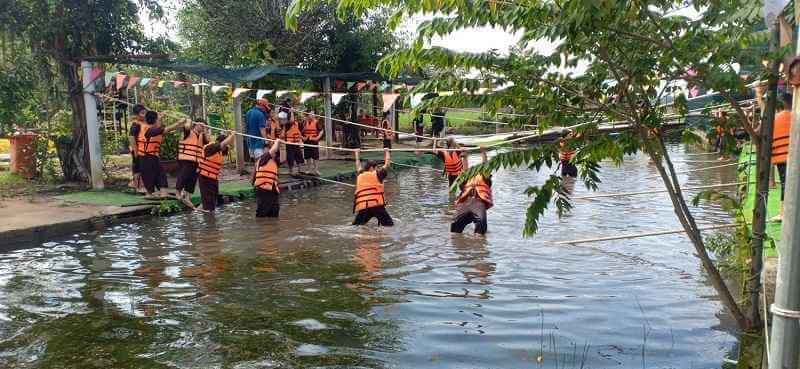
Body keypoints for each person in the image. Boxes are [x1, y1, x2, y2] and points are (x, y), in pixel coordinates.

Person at [134, 110, 181, 198]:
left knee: (160, 174)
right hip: (147, 157)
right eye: (157, 119)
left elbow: (159, 128)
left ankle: (162, 193)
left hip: (150, 157)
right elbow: (166, 129)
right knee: (151, 175)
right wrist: (180, 122)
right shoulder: (149, 130)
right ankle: (150, 194)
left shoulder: (149, 127)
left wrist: (160, 117)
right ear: (155, 120)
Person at [451, 147, 492, 235]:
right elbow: (465, 170)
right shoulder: (467, 178)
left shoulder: (484, 177)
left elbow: (485, 165)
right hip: (465, 202)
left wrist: (483, 152)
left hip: (478, 202)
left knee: (481, 223)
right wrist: (465, 156)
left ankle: (478, 239)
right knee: (454, 225)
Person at [197, 130, 236, 212]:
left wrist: (230, 135)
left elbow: (230, 145)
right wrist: (232, 134)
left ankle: (202, 211)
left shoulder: (219, 151)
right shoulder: (211, 147)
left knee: (213, 201)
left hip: (213, 179)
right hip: (205, 178)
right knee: (209, 205)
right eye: (225, 146)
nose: (225, 148)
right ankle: (209, 220)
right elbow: (224, 144)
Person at [353, 148, 394, 226]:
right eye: (376, 167)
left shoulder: (360, 174)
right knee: (390, 226)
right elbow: (387, 164)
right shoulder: (378, 174)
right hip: (377, 206)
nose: (377, 169)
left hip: (364, 206)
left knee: (356, 226)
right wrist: (387, 151)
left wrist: (356, 153)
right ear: (372, 168)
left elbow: (358, 164)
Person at [771, 93, 792, 222]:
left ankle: (783, 214)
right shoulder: (795, 115)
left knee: (786, 185)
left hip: (783, 157)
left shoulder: (776, 118)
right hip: (791, 155)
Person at [174, 118, 205, 207]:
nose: (202, 127)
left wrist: (205, 131)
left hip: (196, 160)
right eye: (201, 125)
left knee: (193, 179)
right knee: (183, 176)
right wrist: (188, 121)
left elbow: (207, 141)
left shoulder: (201, 136)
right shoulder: (188, 132)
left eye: (204, 126)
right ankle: (177, 193)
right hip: (185, 158)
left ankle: (187, 197)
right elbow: (186, 127)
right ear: (195, 124)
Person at [252, 138, 282, 217]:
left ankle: (271, 228)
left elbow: (282, 157)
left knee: (274, 213)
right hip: (263, 190)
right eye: (265, 150)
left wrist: (280, 144)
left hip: (272, 191)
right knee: (262, 213)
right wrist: (277, 141)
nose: (267, 152)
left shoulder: (274, 162)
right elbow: (272, 150)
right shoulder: (264, 158)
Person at [128, 104, 147, 193]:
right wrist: (136, 151)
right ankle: (137, 186)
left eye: (145, 113)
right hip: (137, 150)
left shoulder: (144, 123)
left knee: (141, 168)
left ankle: (135, 184)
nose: (144, 115)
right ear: (136, 115)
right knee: (137, 168)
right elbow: (131, 137)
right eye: (142, 113)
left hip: (143, 150)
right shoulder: (135, 125)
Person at [301, 110, 324, 175]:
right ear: (308, 115)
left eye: (313, 114)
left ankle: (316, 170)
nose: (312, 115)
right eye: (311, 114)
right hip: (307, 142)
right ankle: (309, 169)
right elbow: (301, 132)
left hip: (314, 141)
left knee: (315, 156)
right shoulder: (304, 123)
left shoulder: (317, 122)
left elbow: (321, 131)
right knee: (307, 156)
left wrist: (317, 138)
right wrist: (302, 138)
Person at [281, 111, 304, 176]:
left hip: (296, 143)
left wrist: (302, 138)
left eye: (295, 116)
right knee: (290, 158)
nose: (295, 118)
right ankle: (291, 171)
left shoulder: (297, 124)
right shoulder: (287, 124)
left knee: (299, 156)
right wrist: (291, 111)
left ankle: (300, 170)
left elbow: (299, 132)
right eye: (294, 116)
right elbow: (291, 120)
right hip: (290, 144)